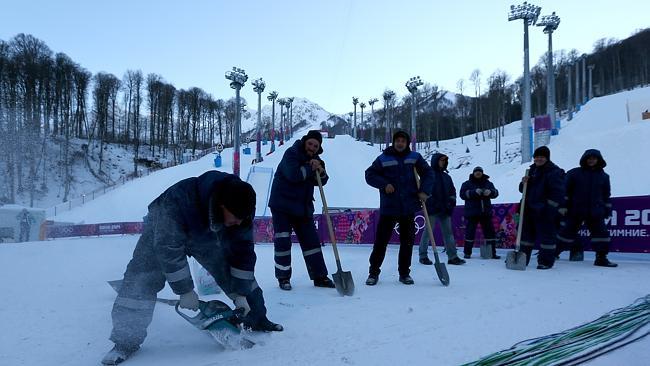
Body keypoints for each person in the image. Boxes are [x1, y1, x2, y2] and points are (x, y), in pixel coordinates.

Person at [102, 171, 282, 365]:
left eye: (243, 218)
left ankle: (257, 318)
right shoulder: (177, 200)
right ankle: (124, 342)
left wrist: (241, 294)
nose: (239, 222)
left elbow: (243, 255)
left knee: (234, 269)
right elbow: (168, 248)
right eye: (236, 217)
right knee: (142, 277)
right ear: (222, 206)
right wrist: (185, 290)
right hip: (160, 233)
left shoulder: (242, 208)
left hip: (204, 234)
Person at [268, 130, 335, 291]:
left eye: (316, 146)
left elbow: (323, 182)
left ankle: (319, 276)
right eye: (310, 143)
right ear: (305, 142)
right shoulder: (291, 153)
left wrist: (320, 170)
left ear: (319, 148)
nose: (312, 147)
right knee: (283, 241)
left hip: (302, 207)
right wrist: (309, 168)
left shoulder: (317, 160)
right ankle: (283, 277)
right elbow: (293, 175)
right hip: (282, 205)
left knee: (311, 241)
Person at [365, 131, 434, 285]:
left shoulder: (414, 157)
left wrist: (424, 190)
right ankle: (373, 272)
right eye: (398, 140)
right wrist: (384, 184)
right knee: (381, 242)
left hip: (408, 207)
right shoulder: (383, 158)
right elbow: (369, 174)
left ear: (407, 143)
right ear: (394, 142)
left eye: (403, 141)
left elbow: (428, 173)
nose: (400, 143)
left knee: (407, 242)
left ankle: (404, 273)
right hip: (389, 207)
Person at [556, 149, 617, 267]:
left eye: (594, 158)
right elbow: (564, 191)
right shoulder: (574, 173)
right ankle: (552, 254)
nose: (591, 160)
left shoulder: (604, 176)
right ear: (585, 159)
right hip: (575, 210)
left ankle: (601, 258)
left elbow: (606, 195)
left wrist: (607, 209)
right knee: (565, 234)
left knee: (601, 236)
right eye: (589, 158)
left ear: (599, 160)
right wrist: (563, 206)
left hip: (596, 212)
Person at [519, 146, 565, 270]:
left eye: (542, 157)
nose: (539, 159)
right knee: (526, 238)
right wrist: (524, 183)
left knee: (547, 238)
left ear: (547, 158)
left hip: (544, 211)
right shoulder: (532, 171)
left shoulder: (554, 172)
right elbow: (522, 190)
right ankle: (522, 258)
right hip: (529, 209)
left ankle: (545, 261)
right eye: (537, 157)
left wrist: (549, 209)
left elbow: (558, 193)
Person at [419, 153, 466, 265]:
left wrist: (451, 202)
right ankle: (423, 255)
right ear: (436, 161)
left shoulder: (447, 177)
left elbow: (452, 191)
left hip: (445, 209)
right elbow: (424, 191)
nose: (443, 162)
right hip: (432, 209)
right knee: (428, 233)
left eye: (444, 161)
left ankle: (452, 256)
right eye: (441, 160)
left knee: (448, 233)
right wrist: (433, 203)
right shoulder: (428, 175)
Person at [460, 167, 501, 259]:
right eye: (476, 172)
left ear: (482, 173)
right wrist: (473, 192)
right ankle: (467, 253)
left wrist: (490, 192)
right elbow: (462, 194)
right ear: (473, 173)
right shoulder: (467, 184)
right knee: (470, 233)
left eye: (480, 172)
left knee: (490, 233)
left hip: (485, 212)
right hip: (472, 213)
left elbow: (496, 193)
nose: (478, 173)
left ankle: (492, 253)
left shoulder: (488, 183)